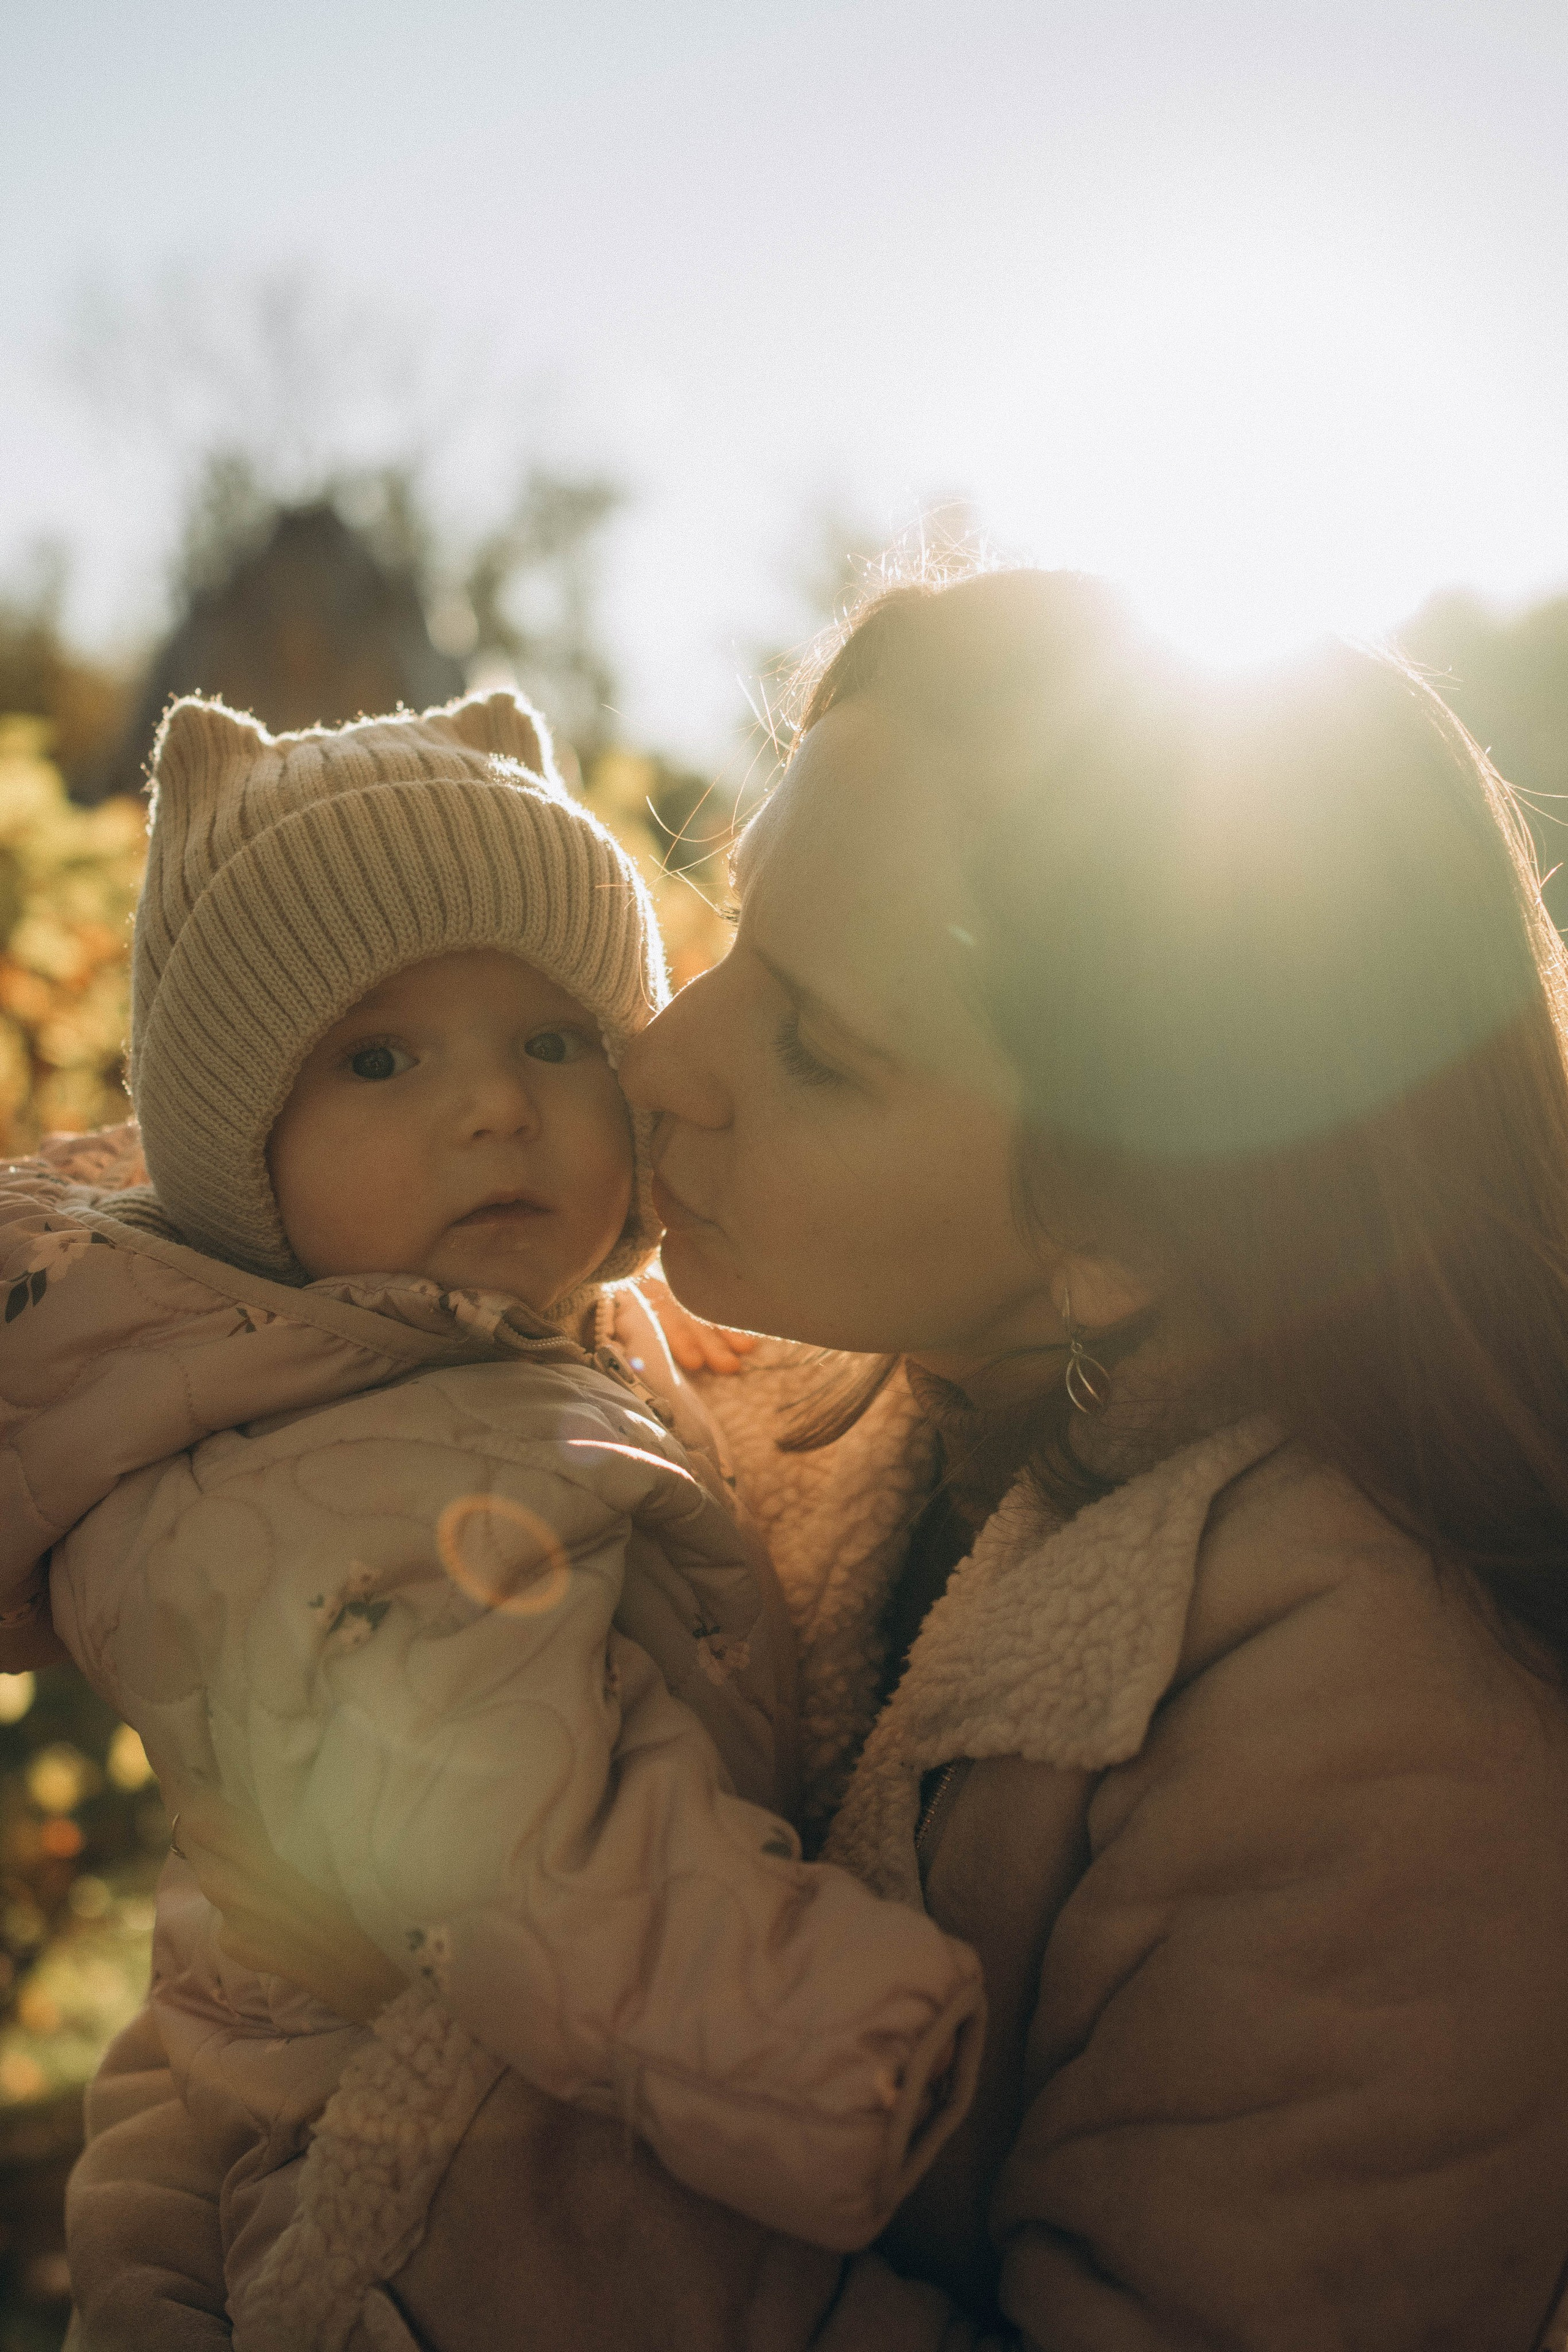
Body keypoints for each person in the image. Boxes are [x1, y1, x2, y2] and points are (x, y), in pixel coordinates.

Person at [61, 567, 1568, 2351]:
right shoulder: (703, 1415)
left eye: (817, 1048)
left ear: (1122, 1226)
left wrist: (445, 2207)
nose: (659, 1054)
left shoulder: (1376, 1747)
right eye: (729, 938)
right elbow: (258, 1958)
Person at [0, 688, 982, 2351]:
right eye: (379, 1059)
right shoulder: (329, 1487)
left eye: (555, 1041)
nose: (494, 1107)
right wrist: (834, 2039)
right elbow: (533, 1839)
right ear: (246, 1163)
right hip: (433, 2175)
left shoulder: (482, 1343)